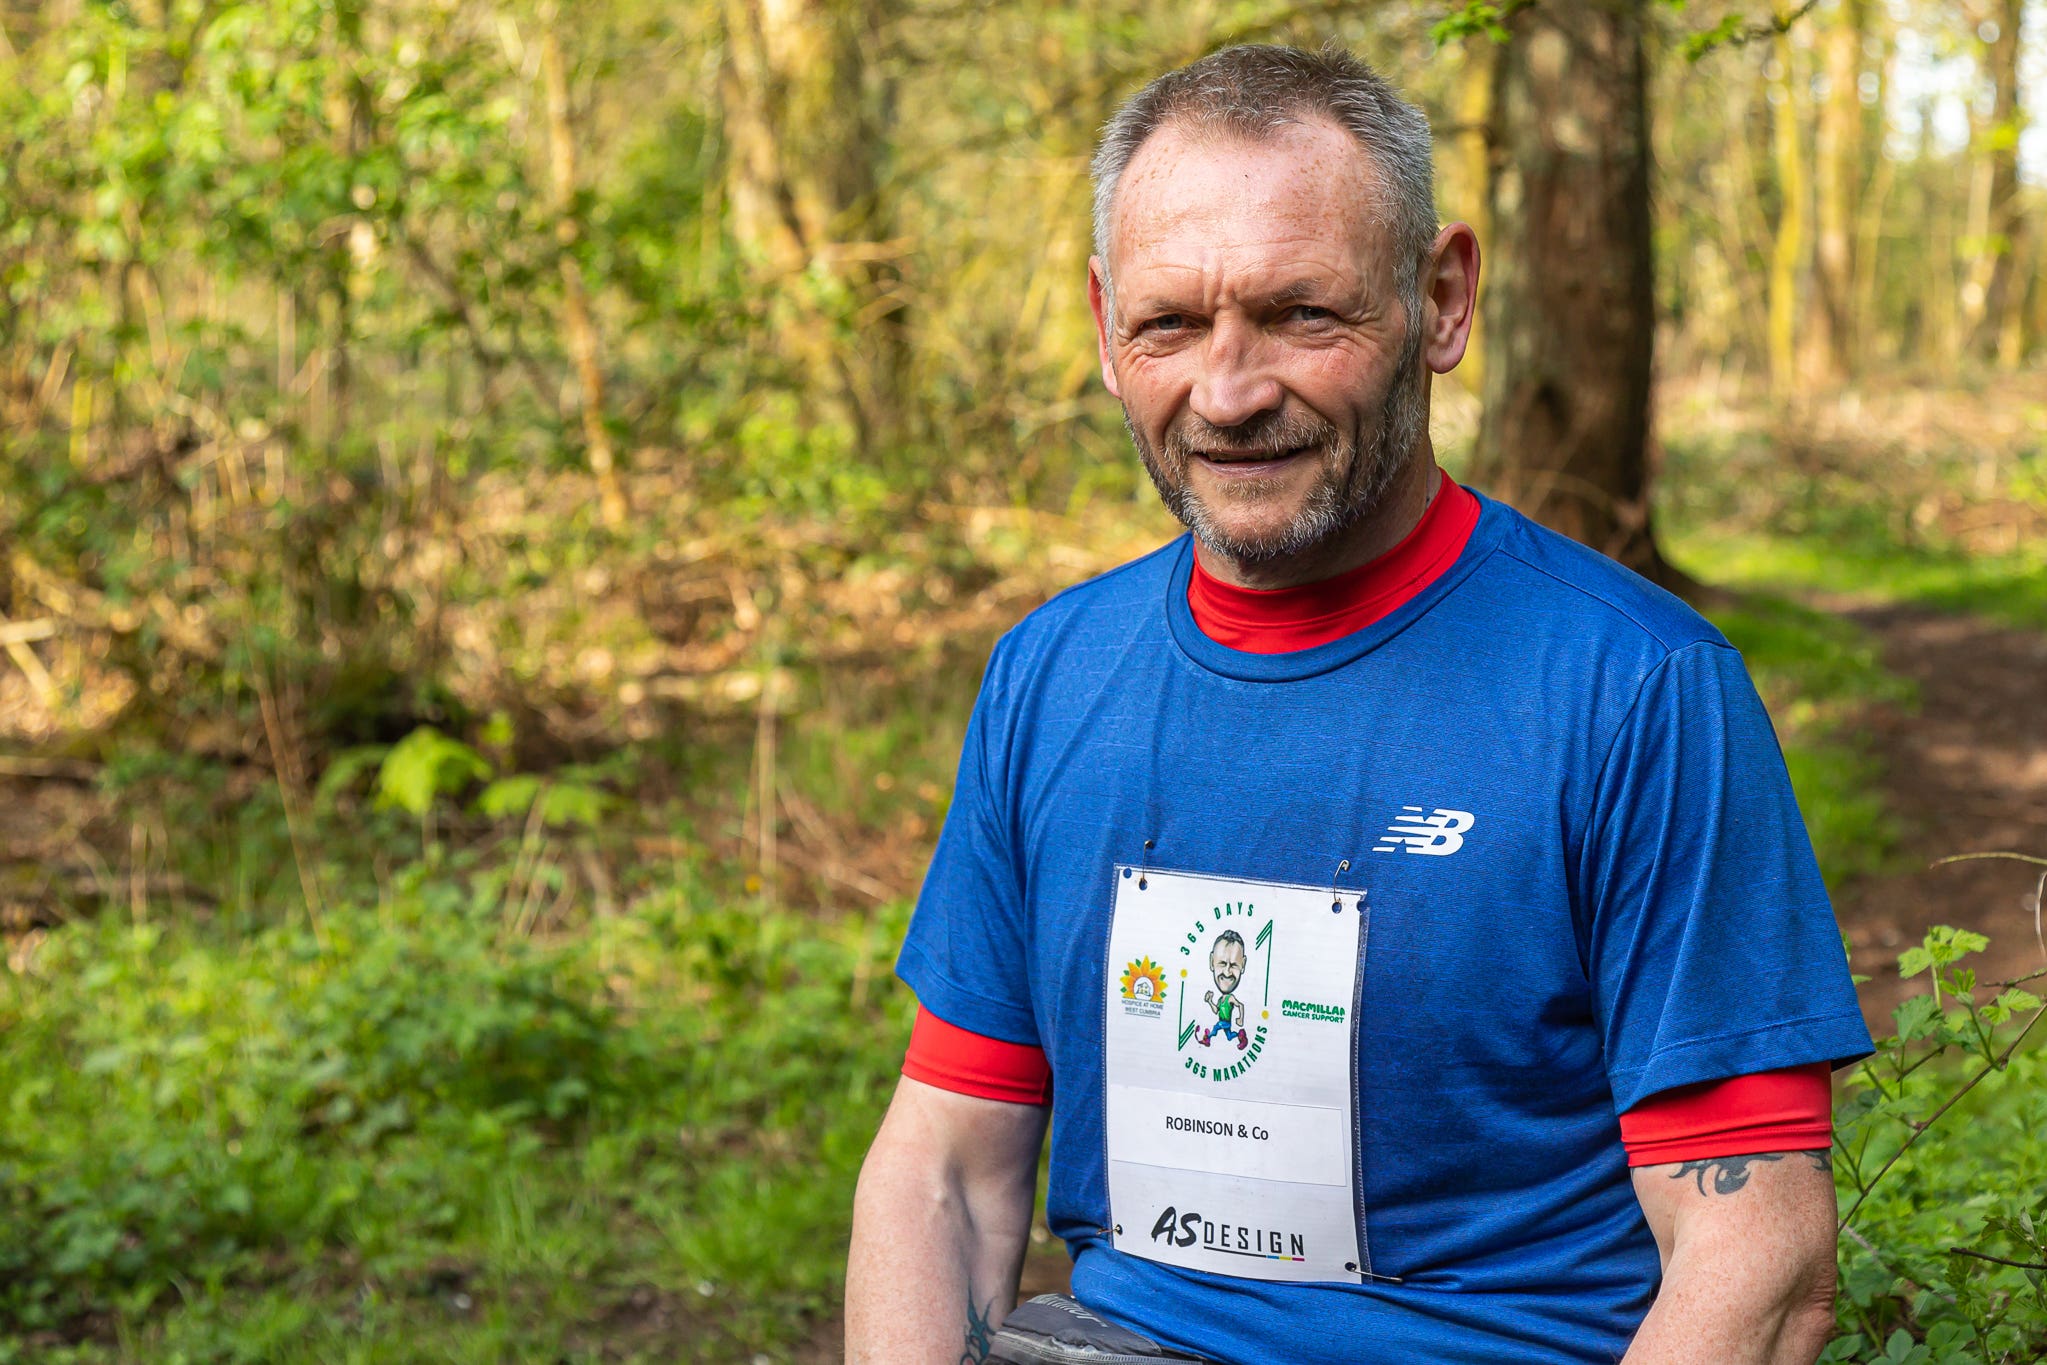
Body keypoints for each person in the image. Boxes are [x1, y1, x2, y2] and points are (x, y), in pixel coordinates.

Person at [846, 43, 1870, 1365]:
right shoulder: (1052, 674)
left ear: (1441, 301)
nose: (1228, 392)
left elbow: (1762, 1258)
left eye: (1300, 316)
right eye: (1169, 324)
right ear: (1105, 327)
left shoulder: (1635, 691)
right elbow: (941, 1164)